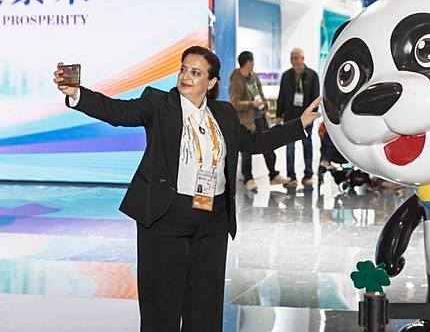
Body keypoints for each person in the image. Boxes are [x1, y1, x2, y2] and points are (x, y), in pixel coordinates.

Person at [52, 46, 321, 332]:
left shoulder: (224, 113)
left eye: (196, 72)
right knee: (162, 305)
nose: (186, 76)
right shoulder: (157, 104)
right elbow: (117, 111)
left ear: (212, 82)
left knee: (205, 304)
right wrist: (77, 94)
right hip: (166, 215)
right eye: (183, 69)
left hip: (213, 218)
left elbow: (254, 142)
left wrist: (299, 125)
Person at [229, 51, 289, 191]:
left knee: (268, 146)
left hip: (261, 118)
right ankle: (248, 179)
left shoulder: (253, 76)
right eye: (252, 61)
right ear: (247, 62)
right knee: (247, 152)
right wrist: (251, 104)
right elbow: (234, 103)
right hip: (247, 121)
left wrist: (265, 109)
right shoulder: (236, 80)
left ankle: (273, 175)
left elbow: (260, 93)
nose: (254, 63)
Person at [276, 48, 320, 188]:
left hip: (305, 116)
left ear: (303, 58)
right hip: (290, 116)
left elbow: (315, 98)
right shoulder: (286, 76)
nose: (294, 60)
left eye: (296, 57)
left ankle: (308, 174)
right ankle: (291, 176)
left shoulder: (312, 75)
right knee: (289, 147)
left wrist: (313, 115)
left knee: (307, 144)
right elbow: (281, 96)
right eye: (292, 58)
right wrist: (278, 114)